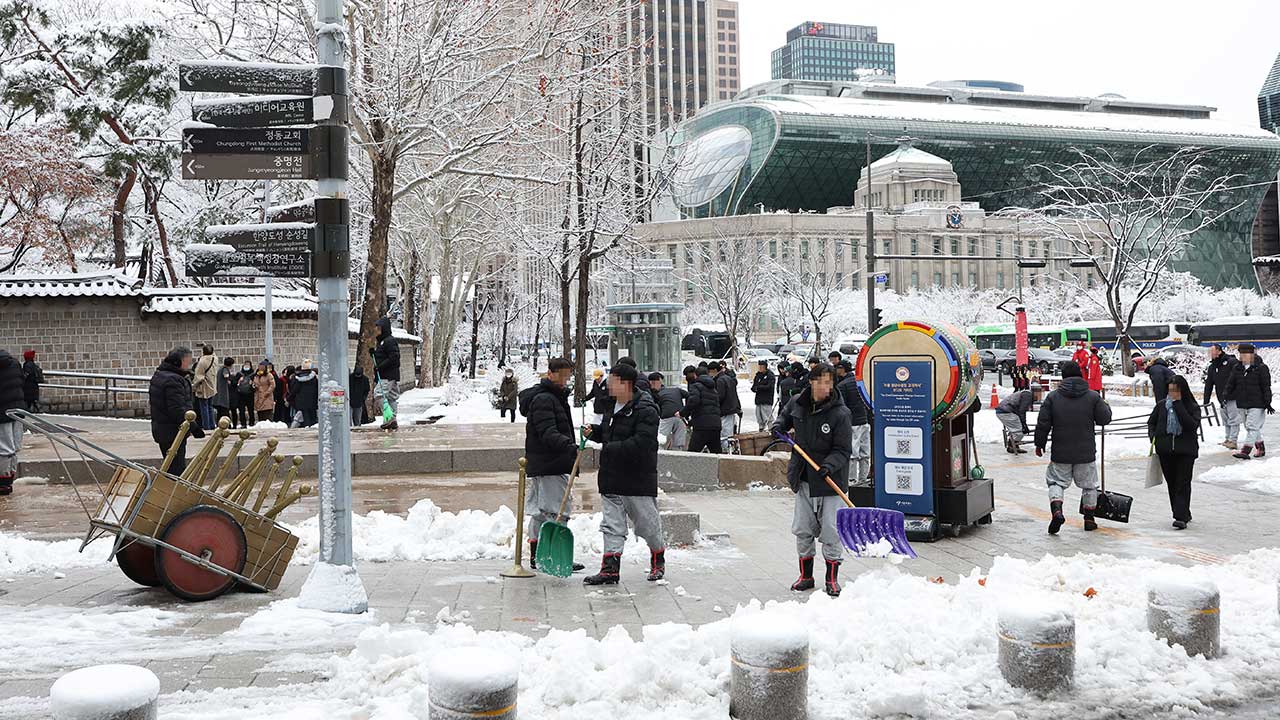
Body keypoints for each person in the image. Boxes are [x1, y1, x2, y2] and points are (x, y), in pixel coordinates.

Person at [772, 363, 851, 597]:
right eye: (822, 382)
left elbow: (843, 450)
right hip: (804, 476)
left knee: (831, 530)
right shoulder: (798, 403)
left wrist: (829, 465)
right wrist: (778, 426)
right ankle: (806, 576)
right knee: (803, 528)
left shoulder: (840, 413)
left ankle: (831, 579)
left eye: (830, 383)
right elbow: (784, 418)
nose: (826, 387)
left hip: (830, 480)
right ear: (812, 382)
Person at [583, 364, 665, 585]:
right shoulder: (611, 405)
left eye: (612, 380)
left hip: (636, 477)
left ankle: (658, 557)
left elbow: (644, 443)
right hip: (611, 475)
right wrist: (595, 432)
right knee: (612, 525)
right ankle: (610, 570)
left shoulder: (646, 409)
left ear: (625, 383)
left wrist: (610, 448)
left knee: (647, 524)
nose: (608, 384)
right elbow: (610, 435)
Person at [1033, 361, 1112, 535]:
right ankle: (1089, 518)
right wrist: (1105, 406)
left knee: (1056, 482)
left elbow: (1043, 423)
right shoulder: (1092, 396)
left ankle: (1057, 512)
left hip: (1061, 451)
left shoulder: (1053, 397)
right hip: (1086, 451)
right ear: (1081, 375)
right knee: (1089, 485)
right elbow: (1104, 419)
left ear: (1063, 377)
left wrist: (1039, 443)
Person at [520, 357, 583, 572]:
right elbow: (547, 432)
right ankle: (555, 556)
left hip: (545, 462)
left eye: (568, 376)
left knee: (541, 511)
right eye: (562, 375)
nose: (565, 380)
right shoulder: (545, 399)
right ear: (550, 373)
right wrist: (569, 446)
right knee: (558, 510)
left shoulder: (553, 396)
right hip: (550, 462)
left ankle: (538, 555)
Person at [1148, 374, 1201, 530]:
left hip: (1186, 451)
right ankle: (1182, 512)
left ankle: (1180, 516)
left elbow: (1192, 426)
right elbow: (1151, 422)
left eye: (1176, 390)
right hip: (1165, 451)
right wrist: (1154, 436)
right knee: (1172, 483)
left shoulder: (1191, 406)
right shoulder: (1161, 406)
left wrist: (1178, 406)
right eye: (1170, 390)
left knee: (1182, 483)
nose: (1173, 394)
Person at [149, 346, 204, 476]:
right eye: (188, 361)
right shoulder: (173, 379)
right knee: (176, 469)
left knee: (170, 465)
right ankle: (173, 493)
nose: (189, 364)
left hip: (162, 429)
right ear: (179, 361)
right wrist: (193, 427)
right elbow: (177, 409)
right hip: (172, 431)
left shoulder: (161, 374)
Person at [1227, 343, 1272, 459]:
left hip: (1257, 403)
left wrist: (1268, 402)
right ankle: (1261, 448)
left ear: (1252, 354)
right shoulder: (1237, 368)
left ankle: (1245, 451)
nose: (1243, 356)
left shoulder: (1261, 368)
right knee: (1249, 427)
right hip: (1242, 402)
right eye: (1241, 354)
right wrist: (1225, 395)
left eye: (1246, 354)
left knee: (1252, 426)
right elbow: (1231, 383)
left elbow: (1266, 386)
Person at [835, 360, 871, 482]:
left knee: (853, 453)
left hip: (852, 422)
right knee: (865, 452)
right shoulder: (861, 382)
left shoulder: (842, 385)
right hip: (865, 420)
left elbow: (841, 407)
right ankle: (863, 478)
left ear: (842, 369)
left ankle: (851, 479)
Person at [1204, 344, 1239, 450]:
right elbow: (1209, 384)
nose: (1210, 354)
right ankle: (1228, 439)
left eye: (1212, 351)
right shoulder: (1212, 367)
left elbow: (1239, 378)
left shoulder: (1231, 362)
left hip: (1233, 396)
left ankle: (1233, 440)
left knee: (1234, 419)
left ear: (1219, 351)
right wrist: (1206, 399)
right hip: (1221, 398)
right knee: (1226, 419)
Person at [0, 349, 26, 496]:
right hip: (18, 410)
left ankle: (2, 484)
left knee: (3, 449)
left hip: (2, 412)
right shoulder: (15, 363)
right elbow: (22, 382)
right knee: (14, 448)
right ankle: (9, 480)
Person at [682, 365, 721, 454]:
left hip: (702, 426)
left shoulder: (696, 386)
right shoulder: (713, 388)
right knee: (717, 455)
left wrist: (682, 413)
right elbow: (710, 408)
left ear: (696, 375)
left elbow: (693, 401)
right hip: (715, 425)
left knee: (692, 456)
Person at [372, 316, 401, 430]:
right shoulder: (383, 342)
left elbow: (394, 357)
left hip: (387, 375)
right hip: (389, 375)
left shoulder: (389, 341)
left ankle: (389, 418)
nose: (377, 330)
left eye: (379, 328)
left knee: (379, 394)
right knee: (391, 397)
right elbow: (384, 355)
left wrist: (381, 366)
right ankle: (392, 418)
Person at [649, 372, 688, 450]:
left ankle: (660, 457)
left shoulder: (657, 394)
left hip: (666, 417)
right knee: (678, 443)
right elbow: (690, 397)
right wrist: (685, 411)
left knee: (661, 441)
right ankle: (677, 458)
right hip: (680, 416)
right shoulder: (677, 390)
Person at [995, 388, 1034, 454]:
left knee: (1018, 430)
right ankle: (1011, 446)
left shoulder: (1026, 393)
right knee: (1019, 430)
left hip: (1004, 411)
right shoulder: (1028, 395)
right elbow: (1022, 411)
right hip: (1005, 412)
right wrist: (1024, 424)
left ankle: (1014, 446)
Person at [713, 361, 742, 451]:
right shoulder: (728, 378)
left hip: (725, 409)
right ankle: (729, 450)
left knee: (724, 434)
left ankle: (726, 452)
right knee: (728, 433)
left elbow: (720, 396)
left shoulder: (720, 380)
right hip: (731, 408)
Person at [191, 345, 218, 430]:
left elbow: (198, 376)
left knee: (204, 407)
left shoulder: (202, 361)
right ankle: (212, 424)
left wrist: (194, 386)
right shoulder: (215, 359)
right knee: (210, 406)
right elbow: (213, 353)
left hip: (204, 386)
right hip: (212, 385)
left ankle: (206, 426)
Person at [290, 360, 319, 428]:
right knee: (312, 418)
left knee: (303, 418)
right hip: (312, 402)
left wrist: (289, 398)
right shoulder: (314, 378)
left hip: (301, 402)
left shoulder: (297, 378)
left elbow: (294, 390)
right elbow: (317, 389)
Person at [750, 359, 777, 430]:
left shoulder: (770, 375)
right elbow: (754, 385)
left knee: (767, 416)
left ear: (765, 367)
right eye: (759, 366)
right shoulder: (758, 375)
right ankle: (761, 428)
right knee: (759, 416)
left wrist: (759, 387)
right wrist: (754, 388)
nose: (760, 368)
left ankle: (771, 429)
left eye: (761, 366)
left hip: (766, 399)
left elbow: (769, 386)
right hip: (758, 399)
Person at [213, 357, 235, 427]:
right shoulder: (225, 369)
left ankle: (219, 424)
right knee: (224, 412)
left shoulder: (220, 369)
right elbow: (226, 376)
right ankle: (226, 425)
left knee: (220, 413)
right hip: (222, 395)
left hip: (218, 395)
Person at [233, 362, 255, 427]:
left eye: (248, 365)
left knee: (251, 410)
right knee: (241, 410)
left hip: (250, 394)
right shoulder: (239, 374)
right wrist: (238, 381)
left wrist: (252, 385)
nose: (246, 366)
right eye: (245, 365)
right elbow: (234, 383)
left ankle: (251, 422)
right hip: (240, 395)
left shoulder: (253, 375)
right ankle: (243, 423)